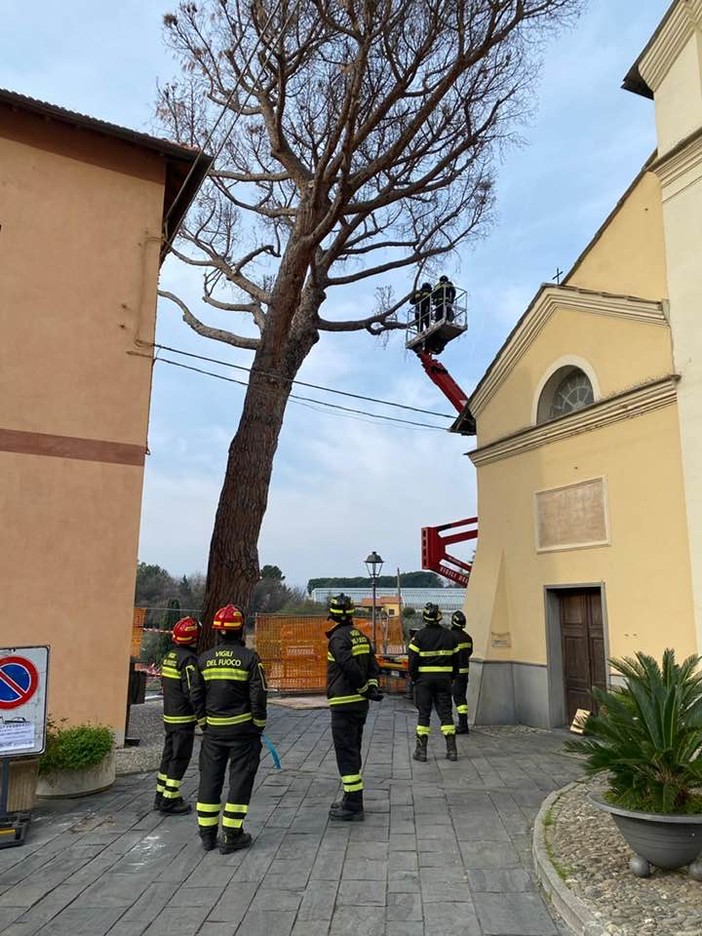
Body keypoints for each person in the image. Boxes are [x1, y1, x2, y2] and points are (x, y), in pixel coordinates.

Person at [190, 604, 267, 853]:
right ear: (241, 630)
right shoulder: (250, 659)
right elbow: (258, 695)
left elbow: (196, 695)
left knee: (209, 779)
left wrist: (203, 722)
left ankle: (207, 835)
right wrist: (258, 724)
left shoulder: (204, 659)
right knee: (240, 780)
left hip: (213, 733)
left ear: (217, 631)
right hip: (243, 732)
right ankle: (232, 835)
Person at [326, 593, 383, 821]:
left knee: (346, 753)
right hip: (360, 706)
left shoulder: (337, 639)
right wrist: (371, 688)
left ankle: (353, 806)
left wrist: (362, 686)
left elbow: (348, 665)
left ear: (332, 615)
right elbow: (373, 666)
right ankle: (350, 798)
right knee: (353, 750)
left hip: (343, 704)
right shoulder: (361, 637)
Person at [155, 616, 200, 815]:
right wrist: (202, 714)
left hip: (170, 716)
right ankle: (169, 800)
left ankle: (160, 795)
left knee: (168, 756)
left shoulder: (170, 656)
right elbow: (191, 691)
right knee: (179, 758)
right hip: (183, 719)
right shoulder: (188, 660)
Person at [408, 603, 459, 762]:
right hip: (444, 680)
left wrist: (415, 678)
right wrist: (452, 677)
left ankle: (421, 751)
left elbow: (412, 661)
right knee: (446, 713)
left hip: (424, 681)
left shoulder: (419, 636)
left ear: (424, 618)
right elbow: (457, 661)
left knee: (424, 714)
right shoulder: (450, 636)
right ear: (439, 617)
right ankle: (452, 750)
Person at [450, 610, 474, 735]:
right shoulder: (468, 638)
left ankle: (462, 725)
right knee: (461, 698)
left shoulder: (451, 637)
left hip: (454, 673)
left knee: (456, 699)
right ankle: (463, 723)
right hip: (465, 672)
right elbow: (469, 652)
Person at [405, 627, 419, 700]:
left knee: (411, 680)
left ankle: (410, 694)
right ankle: (411, 694)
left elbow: (412, 653)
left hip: (414, 664)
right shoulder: (418, 639)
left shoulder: (414, 640)